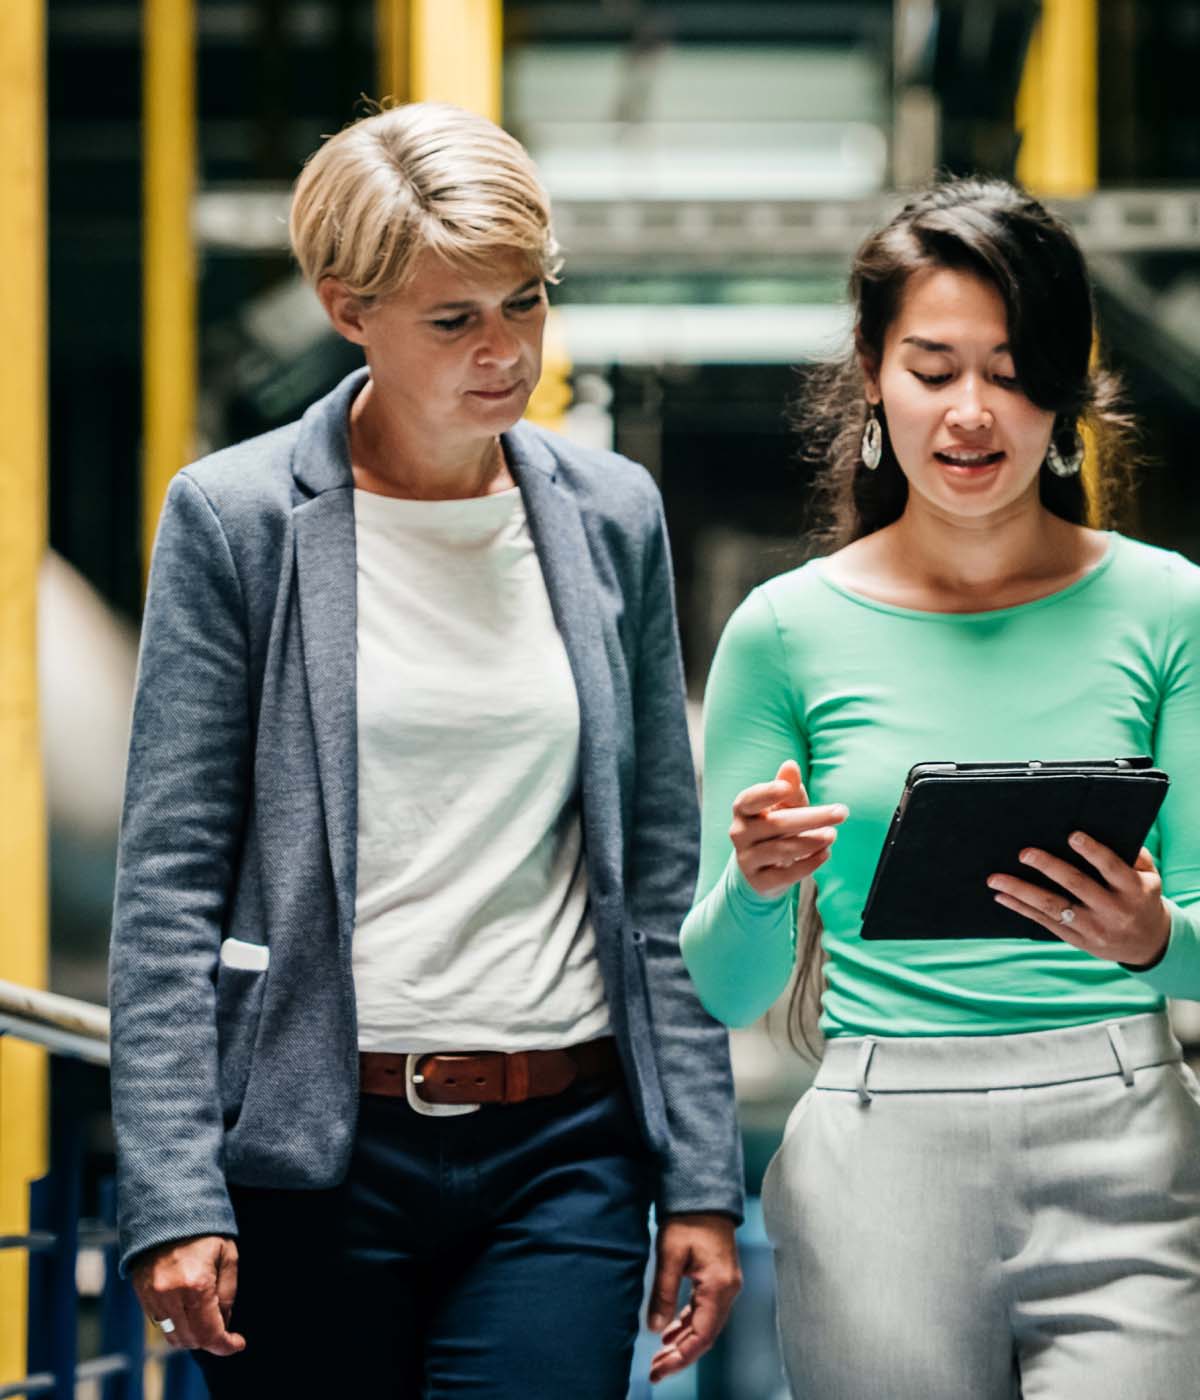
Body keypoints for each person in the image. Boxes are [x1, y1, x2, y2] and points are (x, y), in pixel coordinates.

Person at [108, 101, 743, 1398]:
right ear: (350, 309)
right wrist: (173, 1191)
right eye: (456, 320)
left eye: (527, 301)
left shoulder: (611, 517)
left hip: (563, 1144)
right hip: (312, 1149)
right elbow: (167, 886)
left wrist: (703, 1176)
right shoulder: (238, 522)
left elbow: (658, 879)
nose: (506, 351)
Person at [679, 176, 1200, 1400]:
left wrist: (1150, 932)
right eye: (931, 367)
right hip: (879, 1145)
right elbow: (725, 985)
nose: (970, 411)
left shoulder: (1178, 612)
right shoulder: (782, 632)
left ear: (1064, 389)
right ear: (873, 380)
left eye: (1008, 367)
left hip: (1129, 1136)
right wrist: (757, 881)